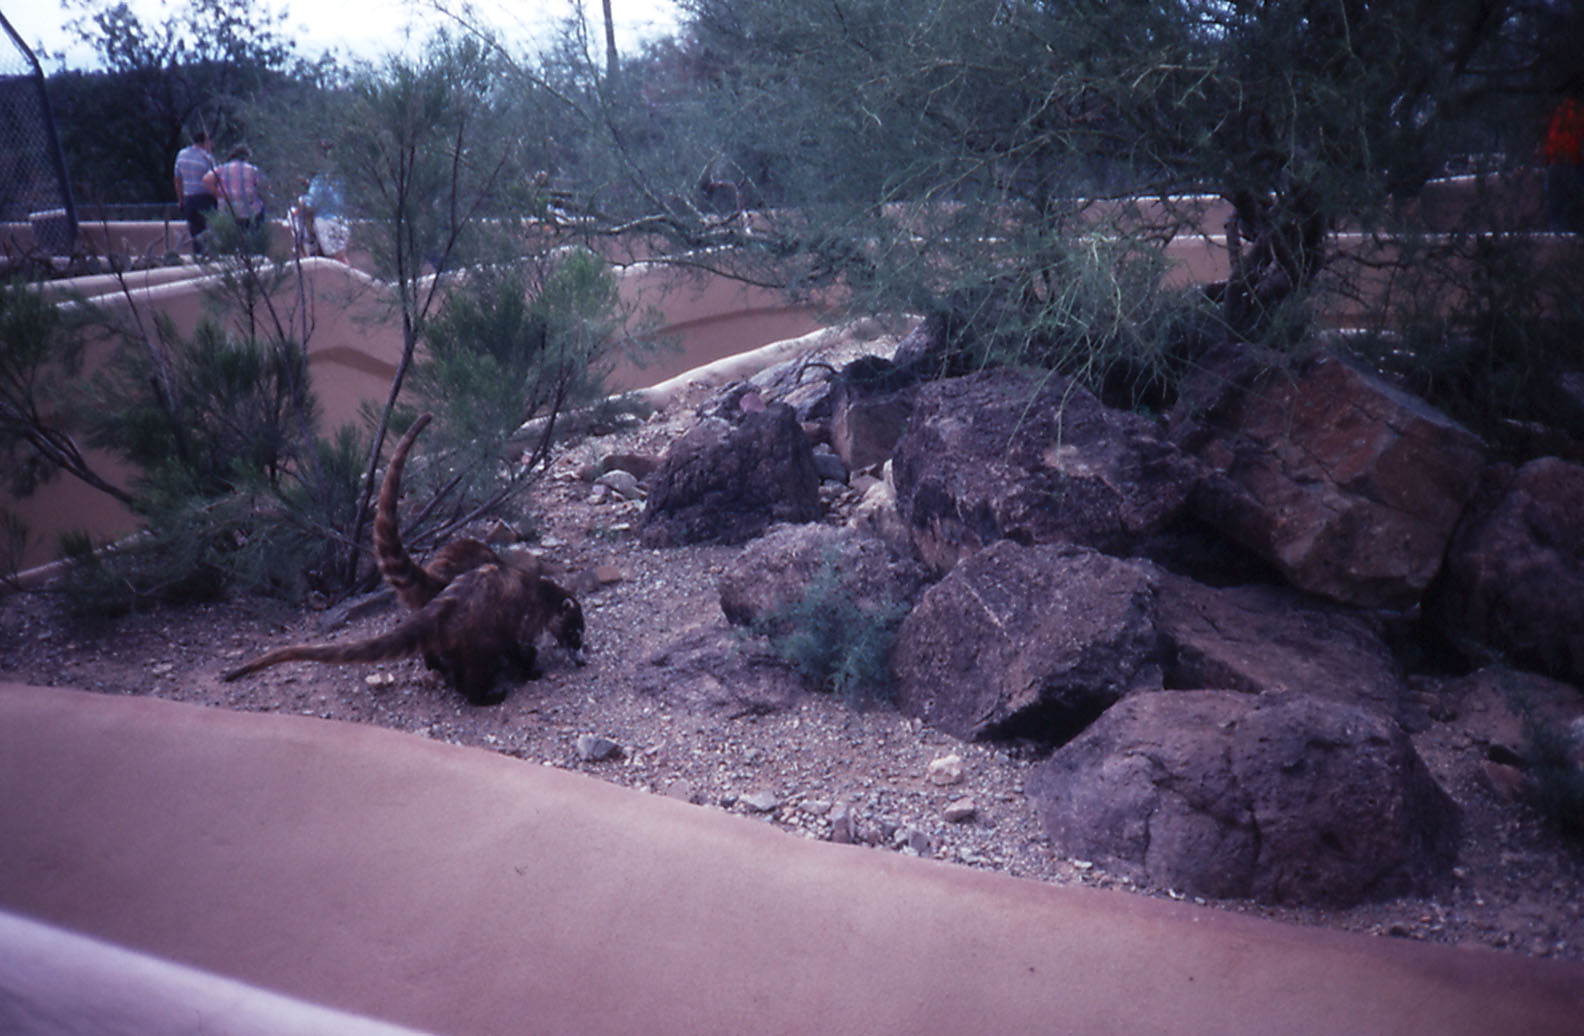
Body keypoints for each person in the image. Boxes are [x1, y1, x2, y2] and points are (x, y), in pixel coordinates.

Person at [291, 140, 350, 262]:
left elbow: (311, 205)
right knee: (341, 258)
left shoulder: (320, 180)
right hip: (342, 221)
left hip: (325, 222)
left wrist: (300, 205)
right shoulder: (340, 178)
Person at [202, 144, 270, 246]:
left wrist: (220, 194)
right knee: (255, 226)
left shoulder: (221, 169)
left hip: (228, 208)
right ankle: (254, 249)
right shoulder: (252, 169)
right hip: (248, 209)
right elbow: (265, 186)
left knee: (230, 236)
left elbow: (206, 180)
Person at [1543, 97, 1584, 233]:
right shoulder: (1578, 113)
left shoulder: (1559, 111)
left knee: (1556, 206)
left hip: (1555, 163)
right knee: (1575, 200)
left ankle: (1558, 234)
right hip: (1572, 163)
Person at [172, 130, 217, 255]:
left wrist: (180, 199)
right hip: (205, 198)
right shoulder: (207, 158)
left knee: (195, 231)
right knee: (209, 230)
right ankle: (209, 256)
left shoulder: (181, 154)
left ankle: (198, 256)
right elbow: (214, 180)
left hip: (189, 199)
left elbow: (177, 179)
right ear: (205, 142)